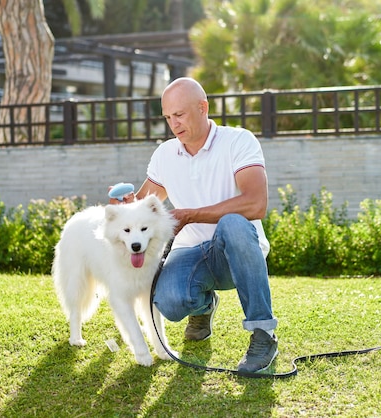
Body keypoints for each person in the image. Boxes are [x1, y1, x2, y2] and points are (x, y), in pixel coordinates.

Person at [112, 77, 278, 373]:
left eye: (179, 114)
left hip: (236, 252)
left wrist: (190, 215)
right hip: (191, 250)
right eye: (167, 117)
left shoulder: (238, 141)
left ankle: (263, 334)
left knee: (233, 224)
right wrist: (127, 206)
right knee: (170, 301)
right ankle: (202, 307)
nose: (173, 124)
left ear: (203, 108)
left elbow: (256, 204)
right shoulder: (165, 154)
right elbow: (143, 203)